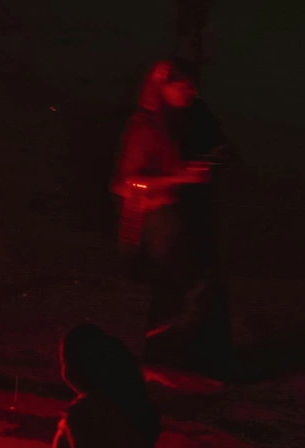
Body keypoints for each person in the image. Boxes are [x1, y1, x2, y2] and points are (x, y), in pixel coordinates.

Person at [113, 59, 235, 380]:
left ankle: (167, 358)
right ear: (161, 87)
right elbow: (131, 182)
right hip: (151, 218)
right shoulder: (145, 128)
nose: (189, 91)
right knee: (179, 287)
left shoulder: (175, 124)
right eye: (180, 85)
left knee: (182, 287)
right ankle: (160, 359)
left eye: (191, 85)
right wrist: (182, 176)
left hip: (167, 217)